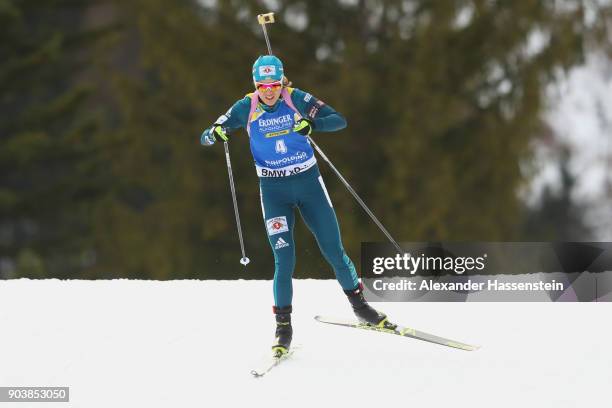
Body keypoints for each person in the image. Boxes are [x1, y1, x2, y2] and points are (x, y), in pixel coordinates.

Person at [201, 55, 389, 355]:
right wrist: (216, 133)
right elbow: (207, 135)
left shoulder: (297, 99)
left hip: (309, 185)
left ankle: (361, 307)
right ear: (255, 85)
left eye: (274, 84)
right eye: (263, 86)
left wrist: (311, 125)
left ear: (281, 81)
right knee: (284, 261)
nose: (269, 91)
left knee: (333, 250)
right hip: (273, 192)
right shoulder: (245, 107)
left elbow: (339, 120)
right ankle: (283, 329)